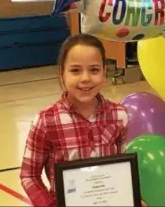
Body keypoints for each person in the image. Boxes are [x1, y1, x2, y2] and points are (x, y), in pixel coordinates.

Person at [20, 33, 145, 207]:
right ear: (62, 74)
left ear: (104, 72)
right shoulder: (46, 121)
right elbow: (29, 175)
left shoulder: (119, 115)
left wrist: (130, 197)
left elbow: (120, 169)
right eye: (75, 70)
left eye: (94, 70)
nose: (85, 78)